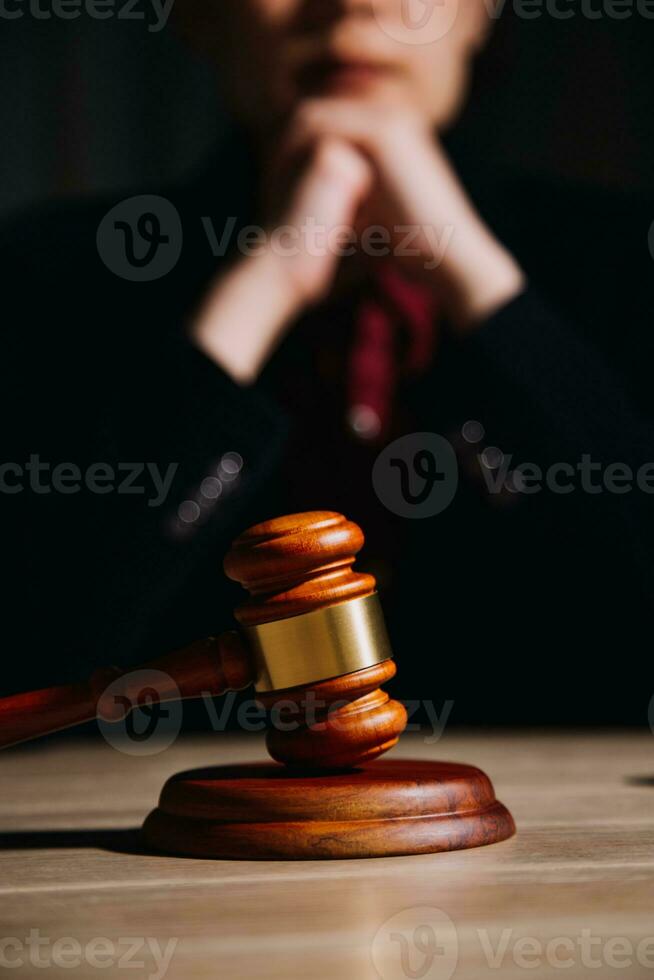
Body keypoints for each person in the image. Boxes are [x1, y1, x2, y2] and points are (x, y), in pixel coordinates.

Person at [2, 0, 652, 723]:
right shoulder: (44, 277)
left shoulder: (627, 265)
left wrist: (477, 282)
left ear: (482, 13)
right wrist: (262, 289)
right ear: (197, 15)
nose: (350, 3)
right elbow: (37, 663)